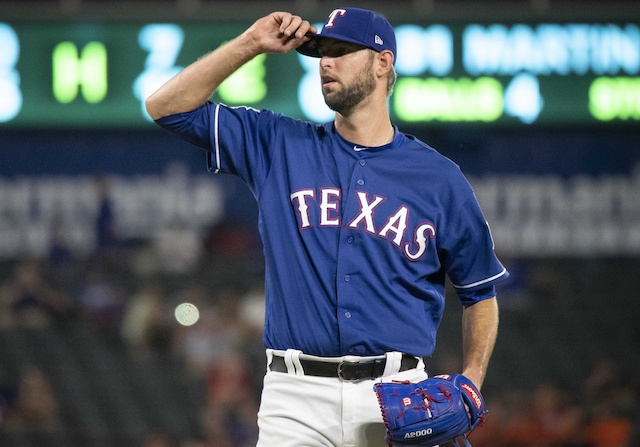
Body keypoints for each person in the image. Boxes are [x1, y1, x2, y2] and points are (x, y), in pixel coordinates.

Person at [146, 7, 509, 447]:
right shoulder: (279, 145)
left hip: (398, 397)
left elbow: (480, 292)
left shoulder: (438, 178)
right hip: (294, 399)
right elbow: (165, 107)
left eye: (341, 50)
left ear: (382, 63)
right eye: (320, 51)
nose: (325, 62)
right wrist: (251, 43)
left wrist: (472, 379)